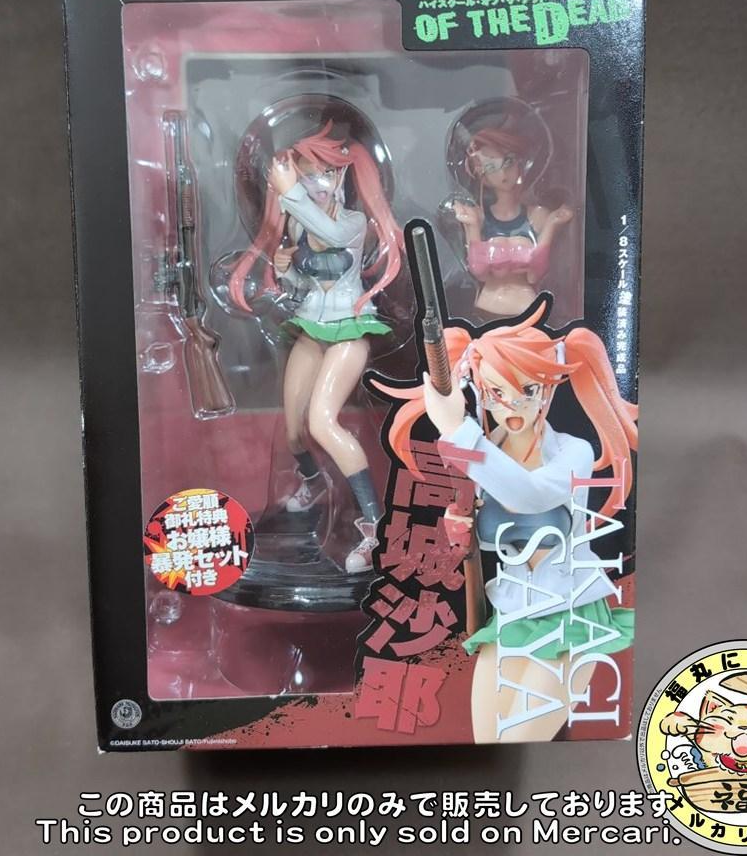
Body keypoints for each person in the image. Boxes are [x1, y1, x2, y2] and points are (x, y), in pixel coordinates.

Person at [376, 307, 637, 741]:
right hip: (513, 612)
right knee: (486, 747)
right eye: (496, 392)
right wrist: (460, 524)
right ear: (480, 390)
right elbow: (486, 526)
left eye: (526, 389)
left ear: (547, 387)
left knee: (519, 743)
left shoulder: (572, 452)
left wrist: (458, 431)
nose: (512, 405)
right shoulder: (480, 455)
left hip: (571, 613)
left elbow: (529, 494)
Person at [228, 120, 404, 573]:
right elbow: (300, 284)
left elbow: (329, 230)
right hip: (311, 328)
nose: (316, 184)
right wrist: (285, 267)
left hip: (349, 330)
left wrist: (289, 191)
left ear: (341, 175)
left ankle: (376, 528)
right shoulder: (299, 224)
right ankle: (314, 482)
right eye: (307, 176)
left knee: (323, 423)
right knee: (293, 429)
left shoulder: (352, 222)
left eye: (324, 173)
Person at [451, 127, 573, 319]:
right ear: (482, 175)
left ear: (520, 163)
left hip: (528, 307)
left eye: (508, 162)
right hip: (486, 305)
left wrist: (552, 225)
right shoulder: (479, 217)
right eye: (492, 167)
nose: (503, 173)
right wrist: (472, 226)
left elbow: (535, 275)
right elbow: (480, 273)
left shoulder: (538, 215)